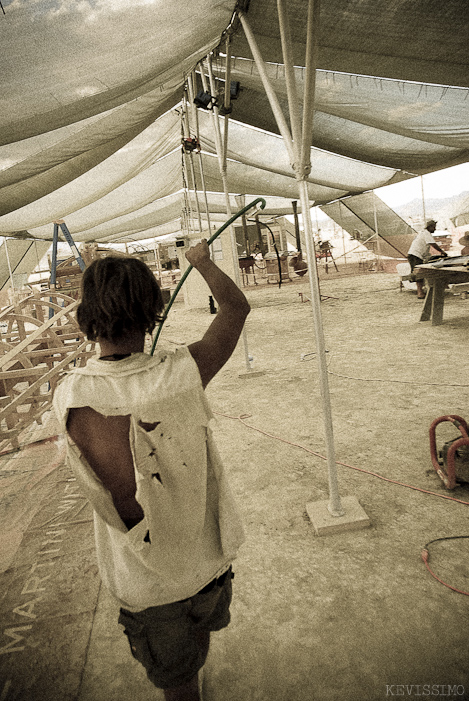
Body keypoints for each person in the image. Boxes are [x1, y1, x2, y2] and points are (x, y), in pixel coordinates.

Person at [52, 241, 249, 701]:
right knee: (196, 643)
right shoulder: (184, 371)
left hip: (143, 582)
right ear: (153, 311)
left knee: (178, 681)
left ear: (88, 317)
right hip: (205, 562)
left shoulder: (70, 394)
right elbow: (235, 308)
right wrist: (200, 261)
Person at [407, 219, 448, 298]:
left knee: (419, 272)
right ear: (430, 227)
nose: (435, 229)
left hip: (415, 255)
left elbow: (425, 250)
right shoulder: (426, 233)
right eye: (434, 227)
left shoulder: (423, 233)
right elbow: (433, 244)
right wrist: (442, 252)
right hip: (415, 255)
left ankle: (422, 291)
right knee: (418, 273)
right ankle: (420, 293)